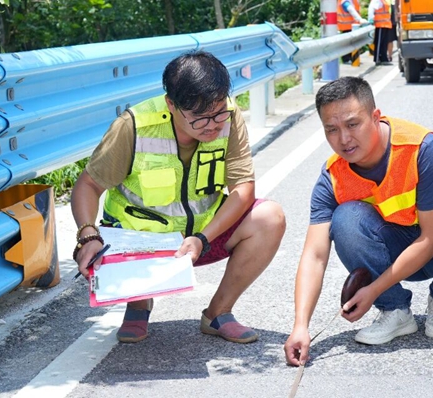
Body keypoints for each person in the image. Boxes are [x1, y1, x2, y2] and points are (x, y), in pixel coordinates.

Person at [71, 51, 286, 344]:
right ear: (171, 104)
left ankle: (218, 313)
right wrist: (87, 235)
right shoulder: (133, 126)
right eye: (199, 117)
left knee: (269, 218)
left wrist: (202, 238)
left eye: (218, 112)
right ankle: (138, 301)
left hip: (199, 239)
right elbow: (87, 185)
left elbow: (242, 188)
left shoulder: (230, 117)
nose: (212, 125)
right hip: (139, 243)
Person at [283, 77, 433, 366]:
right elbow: (314, 255)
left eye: (352, 124)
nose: (343, 139)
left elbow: (432, 238)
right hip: (397, 239)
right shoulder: (333, 175)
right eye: (331, 130)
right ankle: (395, 311)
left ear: (375, 117)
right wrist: (301, 326)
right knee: (345, 218)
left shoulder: (422, 150)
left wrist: (372, 289)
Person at [368, 0, 393, 65]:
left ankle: (384, 58)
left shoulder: (383, 1)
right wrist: (371, 19)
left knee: (384, 43)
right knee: (379, 43)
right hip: (380, 25)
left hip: (386, 24)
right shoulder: (376, 1)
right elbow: (371, 9)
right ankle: (377, 59)